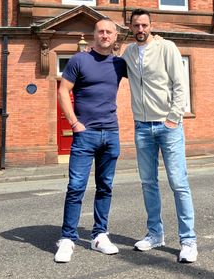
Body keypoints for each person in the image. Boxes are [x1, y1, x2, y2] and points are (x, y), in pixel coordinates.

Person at [122, 8, 198, 263]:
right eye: (136, 26)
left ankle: (188, 241)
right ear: (130, 27)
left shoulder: (167, 48)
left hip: (168, 127)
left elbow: (180, 84)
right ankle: (155, 234)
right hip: (142, 127)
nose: (140, 30)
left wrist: (173, 119)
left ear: (150, 25)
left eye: (144, 25)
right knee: (148, 183)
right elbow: (108, 64)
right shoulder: (129, 53)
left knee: (178, 183)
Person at [54, 18, 127, 263]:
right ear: (94, 35)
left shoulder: (120, 64)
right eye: (101, 31)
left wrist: (156, 40)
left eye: (109, 32)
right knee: (76, 188)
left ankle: (99, 235)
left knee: (105, 187)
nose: (105, 35)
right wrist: (74, 123)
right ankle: (67, 238)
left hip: (112, 133)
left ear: (116, 37)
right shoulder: (79, 59)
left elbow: (146, 67)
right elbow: (63, 90)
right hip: (85, 135)